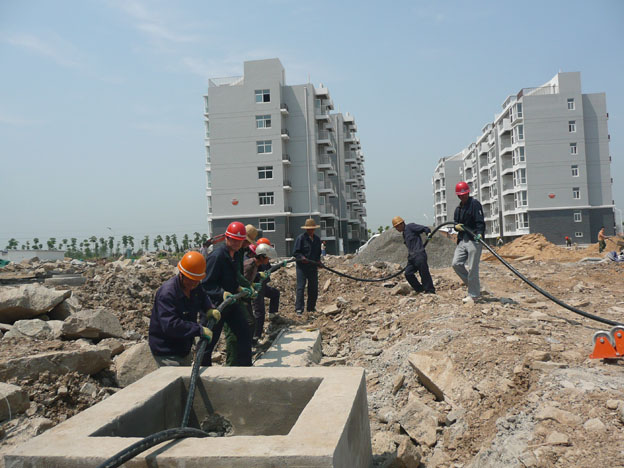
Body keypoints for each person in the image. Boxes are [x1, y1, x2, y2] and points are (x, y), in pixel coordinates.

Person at [149, 251, 220, 367]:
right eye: (191, 280)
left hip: (183, 348)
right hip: (166, 351)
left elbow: (202, 296)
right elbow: (170, 325)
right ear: (181, 274)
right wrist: (199, 330)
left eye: (197, 280)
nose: (193, 284)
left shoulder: (195, 285)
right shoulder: (167, 294)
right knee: (174, 378)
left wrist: (209, 308)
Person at [201, 221, 254, 366]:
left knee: (244, 332)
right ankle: (202, 370)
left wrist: (238, 288)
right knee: (209, 341)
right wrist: (221, 293)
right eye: (234, 239)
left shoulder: (235, 256)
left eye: (239, 240)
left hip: (230, 304)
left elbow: (231, 278)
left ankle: (245, 367)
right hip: (214, 306)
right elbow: (206, 283)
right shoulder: (217, 256)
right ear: (227, 238)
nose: (236, 243)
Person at [452, 181, 486, 302]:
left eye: (465, 194)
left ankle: (474, 295)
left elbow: (480, 221)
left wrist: (479, 233)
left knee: (472, 268)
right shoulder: (458, 209)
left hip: (474, 239)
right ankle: (474, 286)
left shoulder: (474, 204)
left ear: (468, 193)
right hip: (463, 239)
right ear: (458, 196)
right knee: (456, 264)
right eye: (461, 195)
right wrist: (456, 227)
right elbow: (455, 223)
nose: (463, 196)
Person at [243, 242, 277, 343]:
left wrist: (252, 285)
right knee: (251, 320)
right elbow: (241, 281)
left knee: (252, 320)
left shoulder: (256, 265)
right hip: (241, 297)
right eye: (267, 258)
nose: (268, 260)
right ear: (261, 257)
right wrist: (250, 287)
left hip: (248, 294)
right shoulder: (249, 265)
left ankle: (251, 342)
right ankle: (250, 342)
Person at [392, 216, 435, 294]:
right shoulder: (404, 233)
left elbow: (425, 228)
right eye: (395, 227)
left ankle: (430, 291)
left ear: (402, 224)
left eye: (397, 227)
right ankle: (420, 289)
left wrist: (428, 233)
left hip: (419, 255)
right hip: (412, 257)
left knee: (424, 273)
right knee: (408, 273)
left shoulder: (410, 227)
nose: (397, 229)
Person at [293, 218, 322, 315]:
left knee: (313, 287)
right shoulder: (301, 238)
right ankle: (299, 308)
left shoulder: (317, 239)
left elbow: (318, 254)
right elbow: (296, 253)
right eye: (309, 229)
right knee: (301, 287)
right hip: (302, 267)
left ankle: (311, 308)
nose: (310, 231)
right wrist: (302, 258)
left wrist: (318, 262)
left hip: (312, 267)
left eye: (312, 229)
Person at [253, 237, 281, 336]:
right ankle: (256, 336)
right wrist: (258, 275)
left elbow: (269, 269)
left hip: (263, 286)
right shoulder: (256, 259)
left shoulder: (265, 258)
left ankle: (272, 315)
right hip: (256, 288)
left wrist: (279, 265)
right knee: (259, 312)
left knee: (275, 293)